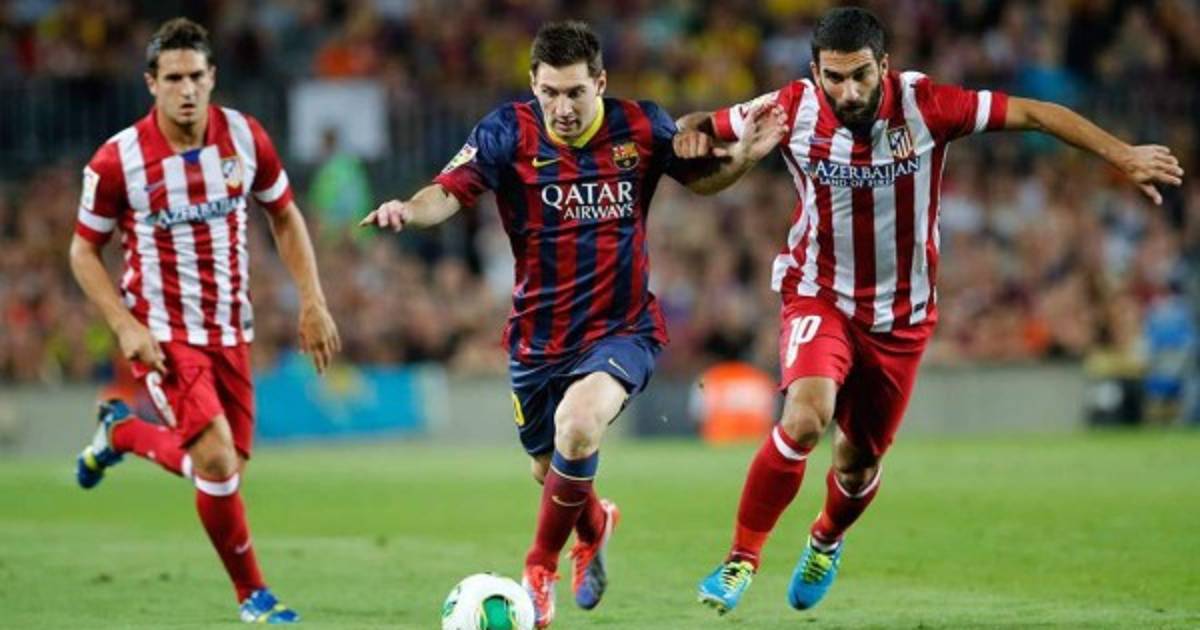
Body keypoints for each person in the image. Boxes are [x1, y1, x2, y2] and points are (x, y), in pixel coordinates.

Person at [673, 6, 1184, 615]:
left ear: (884, 66)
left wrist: (1122, 154)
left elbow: (1035, 113)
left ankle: (825, 540)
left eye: (860, 75)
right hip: (819, 295)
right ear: (814, 72)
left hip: (902, 318)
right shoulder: (790, 106)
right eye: (833, 77)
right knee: (806, 417)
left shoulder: (927, 105)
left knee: (857, 465)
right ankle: (741, 559)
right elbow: (700, 122)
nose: (847, 91)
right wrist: (690, 134)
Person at [360, 20, 781, 628]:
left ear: (600, 83)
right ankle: (594, 525)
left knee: (579, 426)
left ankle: (539, 569)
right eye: (549, 92)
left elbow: (702, 180)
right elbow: (447, 192)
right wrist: (407, 209)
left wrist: (742, 158)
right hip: (537, 338)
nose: (561, 107)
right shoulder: (506, 131)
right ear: (533, 84)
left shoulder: (640, 126)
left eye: (575, 92)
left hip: (623, 328)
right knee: (549, 466)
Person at [69, 17, 341, 624]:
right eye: (173, 79)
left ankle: (122, 433)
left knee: (223, 469)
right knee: (216, 462)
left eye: (195, 76)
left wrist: (313, 300)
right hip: (163, 331)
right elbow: (82, 251)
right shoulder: (119, 160)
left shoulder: (244, 136)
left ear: (213, 76)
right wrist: (125, 326)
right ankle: (253, 596)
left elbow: (284, 215)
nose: (186, 89)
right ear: (151, 83)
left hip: (231, 329)